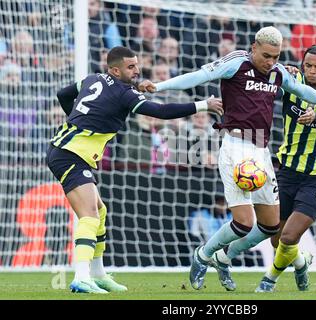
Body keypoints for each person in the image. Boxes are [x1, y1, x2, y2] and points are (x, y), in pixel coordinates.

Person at [139, 27, 316, 292]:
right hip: (235, 147)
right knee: (244, 223)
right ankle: (203, 255)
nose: (271, 62)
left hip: (262, 152)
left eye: (276, 57)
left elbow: (305, 92)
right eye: (266, 56)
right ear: (254, 47)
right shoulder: (236, 63)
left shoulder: (278, 73)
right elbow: (197, 76)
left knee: (270, 226)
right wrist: (159, 86)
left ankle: (225, 258)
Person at [46, 46, 223, 294]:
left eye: (137, 65)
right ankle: (81, 276)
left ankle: (98, 274)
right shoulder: (123, 93)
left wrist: (75, 119)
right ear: (115, 70)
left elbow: (64, 94)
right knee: (89, 216)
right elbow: (161, 111)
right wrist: (204, 104)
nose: (137, 70)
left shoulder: (92, 78)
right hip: (69, 155)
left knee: (100, 211)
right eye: (131, 67)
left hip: (72, 152)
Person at [253, 45, 316, 292]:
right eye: (308, 65)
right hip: (287, 171)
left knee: (288, 237)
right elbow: (262, 80)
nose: (312, 71)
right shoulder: (291, 80)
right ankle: (301, 263)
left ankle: (269, 280)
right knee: (276, 238)